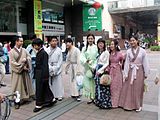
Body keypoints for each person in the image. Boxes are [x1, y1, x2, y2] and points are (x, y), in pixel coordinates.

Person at [119, 35, 150, 112]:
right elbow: (127, 63)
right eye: (131, 41)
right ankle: (129, 104)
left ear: (137, 41)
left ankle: (138, 105)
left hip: (139, 71)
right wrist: (125, 74)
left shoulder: (143, 51)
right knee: (129, 88)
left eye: (133, 40)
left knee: (138, 89)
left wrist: (146, 73)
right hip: (130, 70)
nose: (132, 42)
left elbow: (145, 62)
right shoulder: (128, 51)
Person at [9, 37, 34, 109]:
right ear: (16, 42)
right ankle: (17, 101)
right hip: (17, 73)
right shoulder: (11, 52)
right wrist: (22, 66)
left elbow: (29, 57)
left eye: (22, 41)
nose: (22, 42)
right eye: (20, 41)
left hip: (24, 72)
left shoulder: (24, 50)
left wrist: (26, 60)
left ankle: (25, 98)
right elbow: (12, 62)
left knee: (25, 85)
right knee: (17, 86)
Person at [32, 38, 56, 112]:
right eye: (34, 45)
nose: (34, 47)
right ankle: (51, 99)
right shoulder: (39, 52)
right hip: (39, 73)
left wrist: (45, 76)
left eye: (35, 45)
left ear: (39, 45)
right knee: (45, 88)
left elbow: (45, 66)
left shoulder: (43, 53)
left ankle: (38, 105)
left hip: (42, 74)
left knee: (40, 89)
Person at [94, 38, 112, 109]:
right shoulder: (99, 52)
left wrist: (100, 70)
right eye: (99, 43)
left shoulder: (106, 52)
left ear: (104, 44)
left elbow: (107, 63)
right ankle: (99, 102)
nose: (100, 44)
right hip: (97, 70)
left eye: (102, 43)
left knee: (103, 87)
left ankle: (105, 103)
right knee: (98, 86)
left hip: (102, 71)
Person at [80, 34, 98, 104]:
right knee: (88, 83)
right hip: (87, 67)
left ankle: (95, 97)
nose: (90, 40)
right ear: (87, 40)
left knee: (94, 83)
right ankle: (90, 97)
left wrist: (94, 66)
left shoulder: (96, 47)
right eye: (89, 39)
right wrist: (85, 61)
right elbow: (82, 56)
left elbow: (97, 57)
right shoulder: (84, 48)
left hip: (94, 67)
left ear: (93, 39)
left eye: (91, 38)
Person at [46, 36, 64, 101]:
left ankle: (59, 95)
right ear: (50, 42)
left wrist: (56, 68)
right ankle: (52, 95)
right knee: (50, 83)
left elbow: (60, 61)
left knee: (58, 82)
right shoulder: (46, 50)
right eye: (52, 41)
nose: (54, 42)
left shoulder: (59, 50)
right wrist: (50, 68)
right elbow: (46, 60)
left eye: (55, 41)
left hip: (57, 68)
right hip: (49, 67)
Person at [109, 40, 123, 108]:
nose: (111, 46)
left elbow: (122, 61)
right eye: (110, 44)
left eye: (112, 44)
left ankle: (118, 102)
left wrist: (120, 65)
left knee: (117, 86)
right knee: (111, 86)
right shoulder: (109, 53)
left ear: (116, 45)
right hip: (111, 71)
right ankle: (112, 102)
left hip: (117, 71)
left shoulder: (119, 53)